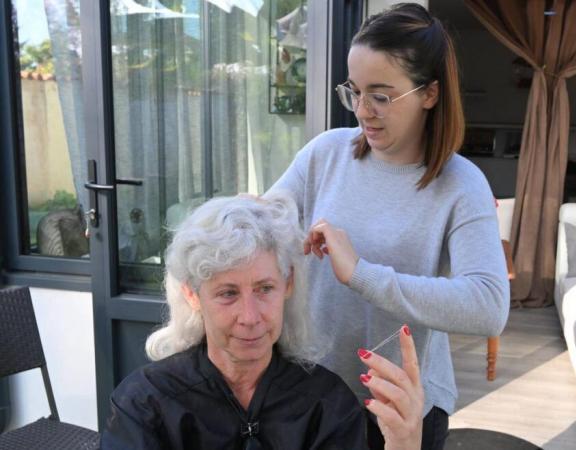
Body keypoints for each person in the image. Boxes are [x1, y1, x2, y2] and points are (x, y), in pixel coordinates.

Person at [269, 3, 510, 449]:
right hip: (308, 393)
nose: (363, 110)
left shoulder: (460, 184)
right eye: (354, 91)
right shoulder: (326, 153)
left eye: (381, 95)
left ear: (430, 94)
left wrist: (361, 273)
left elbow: (488, 305)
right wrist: (252, 218)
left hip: (398, 411)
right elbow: (268, 222)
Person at [100, 193, 424, 450]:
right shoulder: (145, 403)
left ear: (288, 283)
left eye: (264, 288)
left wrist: (402, 447)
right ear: (192, 295)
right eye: (228, 293)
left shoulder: (327, 404)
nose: (251, 317)